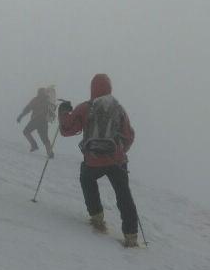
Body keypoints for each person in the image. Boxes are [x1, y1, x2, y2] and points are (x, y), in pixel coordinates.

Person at [57, 73, 141, 247]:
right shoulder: (118, 109)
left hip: (93, 160)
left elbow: (67, 129)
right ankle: (131, 235)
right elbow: (129, 135)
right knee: (123, 194)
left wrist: (64, 111)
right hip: (116, 161)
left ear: (92, 88)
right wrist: (120, 152)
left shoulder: (86, 108)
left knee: (87, 179)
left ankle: (97, 218)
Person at [16, 86, 57, 156]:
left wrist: (21, 116)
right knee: (45, 138)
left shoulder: (36, 99)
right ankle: (50, 153)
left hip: (36, 120)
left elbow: (28, 108)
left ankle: (34, 145)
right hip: (44, 122)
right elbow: (51, 111)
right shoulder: (48, 101)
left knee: (26, 131)